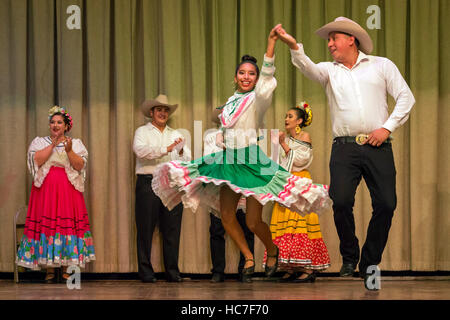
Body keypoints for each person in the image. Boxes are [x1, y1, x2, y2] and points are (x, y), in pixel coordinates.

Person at [151, 26, 331, 283]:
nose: (246, 77)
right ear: (235, 77)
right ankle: (248, 256)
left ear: (257, 80)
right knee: (226, 217)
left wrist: (271, 43)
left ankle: (271, 250)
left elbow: (268, 74)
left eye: (251, 74)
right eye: (242, 73)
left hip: (252, 162)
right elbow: (229, 126)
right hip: (229, 161)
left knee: (253, 222)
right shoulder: (231, 100)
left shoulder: (259, 98)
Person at [275, 17, 415, 290]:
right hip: (344, 147)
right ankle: (349, 255)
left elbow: (406, 97)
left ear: (351, 39)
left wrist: (386, 128)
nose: (329, 44)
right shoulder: (330, 70)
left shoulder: (381, 65)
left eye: (333, 38)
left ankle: (369, 261)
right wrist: (294, 46)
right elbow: (308, 68)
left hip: (378, 146)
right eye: (328, 40)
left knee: (387, 204)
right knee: (340, 200)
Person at [16, 106, 95, 283]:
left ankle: (68, 268)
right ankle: (49, 269)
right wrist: (52, 144)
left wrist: (68, 151)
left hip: (68, 191)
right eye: (52, 122)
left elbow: (80, 165)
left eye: (59, 122)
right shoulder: (40, 142)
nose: (55, 125)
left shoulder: (75, 143)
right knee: (48, 225)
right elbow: (37, 160)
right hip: (45, 191)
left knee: (66, 226)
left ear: (66, 126)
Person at [264, 103, 330, 283]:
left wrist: (284, 143)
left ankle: (307, 268)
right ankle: (292, 266)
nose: (286, 119)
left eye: (290, 116)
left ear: (300, 120)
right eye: (286, 116)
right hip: (286, 182)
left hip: (299, 181)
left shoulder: (304, 136)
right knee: (285, 225)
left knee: (298, 222)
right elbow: (279, 163)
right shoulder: (286, 139)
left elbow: (301, 159)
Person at [133, 94, 191, 283]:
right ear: (152, 112)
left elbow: (187, 162)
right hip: (148, 182)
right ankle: (145, 272)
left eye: (166, 110)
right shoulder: (142, 131)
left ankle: (172, 272)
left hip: (171, 184)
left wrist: (180, 151)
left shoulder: (176, 134)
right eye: (159, 109)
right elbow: (140, 151)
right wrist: (166, 149)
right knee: (145, 229)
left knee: (172, 230)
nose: (163, 113)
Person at [205, 111, 255, 283]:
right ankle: (218, 271)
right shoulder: (211, 136)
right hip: (220, 187)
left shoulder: (246, 135)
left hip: (241, 185)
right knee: (217, 231)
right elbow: (209, 157)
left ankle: (246, 270)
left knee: (247, 229)